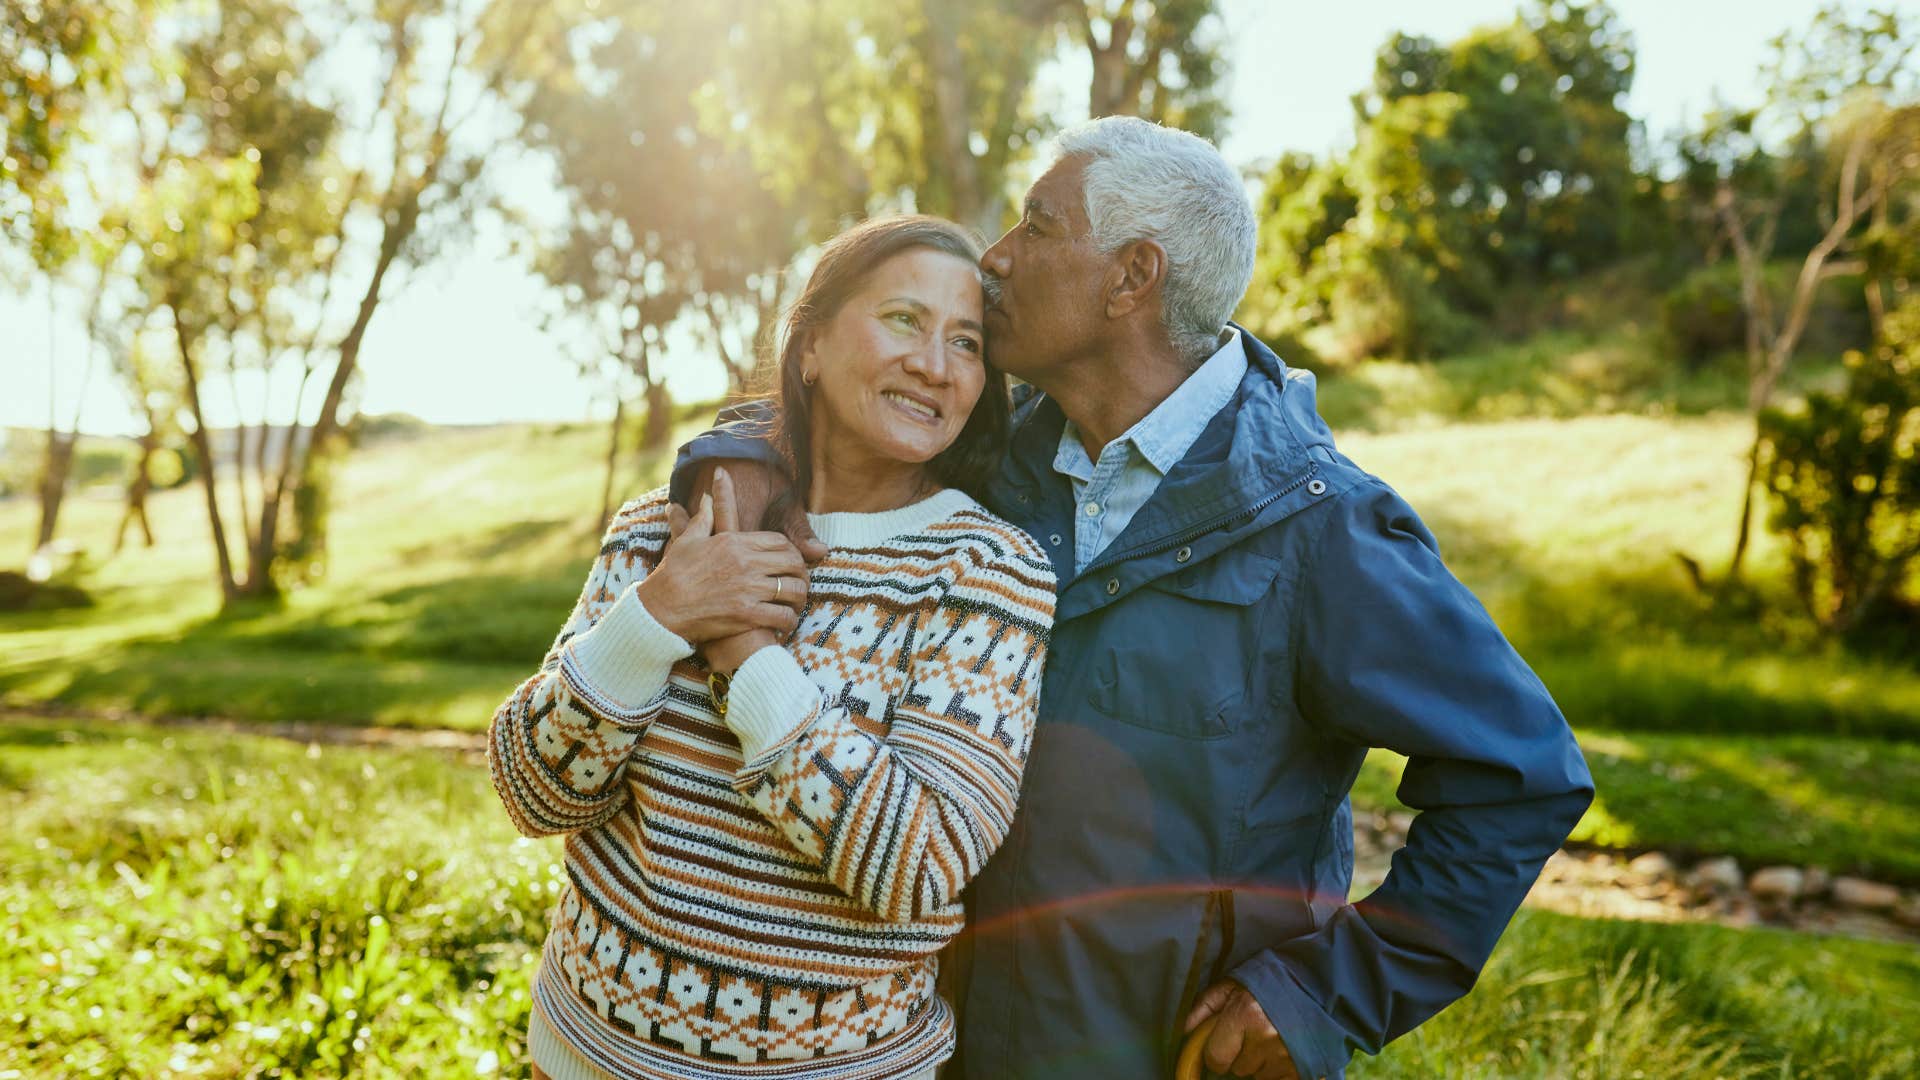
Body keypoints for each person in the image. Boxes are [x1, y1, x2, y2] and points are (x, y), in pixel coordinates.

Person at [673, 117, 1595, 1080]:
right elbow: (806, 412)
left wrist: (1325, 992)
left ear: (1130, 278)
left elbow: (1521, 777)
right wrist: (733, 477)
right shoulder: (995, 450)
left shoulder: (1321, 527)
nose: (995, 258)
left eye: (1036, 225)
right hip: (938, 1049)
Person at [488, 215, 1057, 1080]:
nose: (936, 365)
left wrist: (747, 653)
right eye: (903, 318)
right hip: (579, 1054)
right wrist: (658, 614)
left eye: (967, 342)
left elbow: (918, 865)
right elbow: (534, 794)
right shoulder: (661, 530)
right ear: (811, 347)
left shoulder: (987, 571)